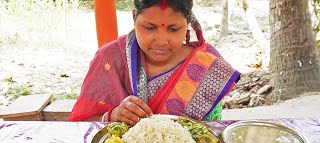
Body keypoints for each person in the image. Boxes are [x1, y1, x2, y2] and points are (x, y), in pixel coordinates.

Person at [68, 0, 240, 125]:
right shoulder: (110, 59)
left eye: (173, 29)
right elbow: (80, 125)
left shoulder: (206, 66)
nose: (161, 41)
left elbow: (211, 132)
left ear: (188, 23)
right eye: (150, 27)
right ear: (134, 17)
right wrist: (112, 116)